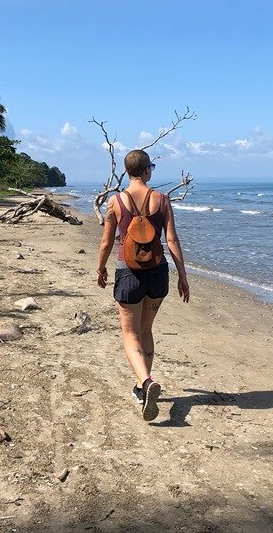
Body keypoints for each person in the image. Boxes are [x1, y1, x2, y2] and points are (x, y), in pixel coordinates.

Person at [96, 149, 190, 422]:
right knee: (146, 329)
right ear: (148, 170)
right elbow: (172, 240)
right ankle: (141, 386)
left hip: (128, 273)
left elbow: (105, 242)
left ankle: (146, 382)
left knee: (129, 333)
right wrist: (182, 275)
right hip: (158, 272)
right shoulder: (162, 200)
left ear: (127, 171)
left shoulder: (115, 202)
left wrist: (100, 268)